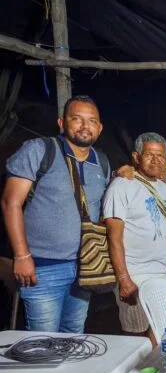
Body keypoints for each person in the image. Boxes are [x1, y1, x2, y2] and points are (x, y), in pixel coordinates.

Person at [2, 95, 109, 333]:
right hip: (43, 267)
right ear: (62, 123)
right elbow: (10, 202)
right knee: (43, 340)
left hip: (85, 268)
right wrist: (21, 256)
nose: (85, 126)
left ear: (99, 128)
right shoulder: (40, 150)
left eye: (92, 121)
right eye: (77, 119)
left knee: (74, 334)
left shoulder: (101, 162)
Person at [103, 132, 166, 343]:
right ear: (136, 157)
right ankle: (136, 366)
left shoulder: (164, 189)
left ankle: (158, 365)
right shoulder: (122, 186)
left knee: (163, 333)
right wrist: (124, 279)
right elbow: (114, 237)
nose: (155, 160)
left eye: (160, 155)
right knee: (135, 335)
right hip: (136, 274)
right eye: (149, 154)